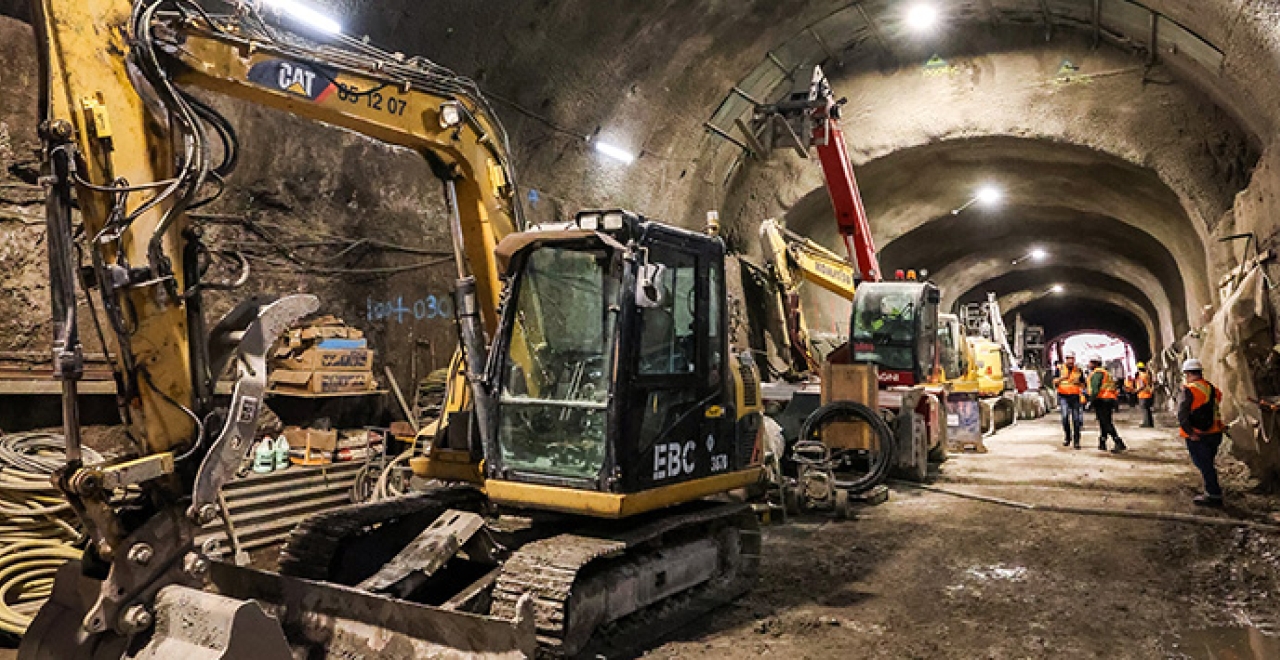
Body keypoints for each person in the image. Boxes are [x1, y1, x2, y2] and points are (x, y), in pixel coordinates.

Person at [1178, 358, 1226, 507]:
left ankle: (1213, 494)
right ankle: (1211, 490)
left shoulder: (1189, 389)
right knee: (1208, 463)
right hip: (1215, 432)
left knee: (1204, 465)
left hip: (1199, 434)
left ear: (1187, 373)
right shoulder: (1211, 388)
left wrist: (1190, 432)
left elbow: (1182, 414)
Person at [1087, 355, 1126, 452]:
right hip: (1109, 399)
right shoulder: (1106, 373)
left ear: (1095, 363)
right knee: (1103, 421)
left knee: (1106, 422)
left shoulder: (1097, 374)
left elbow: (1095, 389)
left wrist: (1090, 401)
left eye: (1090, 362)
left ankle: (1118, 442)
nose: (1089, 364)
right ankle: (1102, 441)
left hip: (1102, 399)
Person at [1053, 352, 1087, 449]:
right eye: (1068, 358)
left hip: (1075, 397)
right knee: (1065, 417)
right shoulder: (1060, 369)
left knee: (1076, 419)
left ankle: (1076, 441)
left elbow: (1084, 384)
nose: (1070, 361)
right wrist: (1062, 378)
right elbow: (1054, 381)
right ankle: (1067, 437)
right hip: (1063, 396)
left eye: (1072, 359)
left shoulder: (1078, 370)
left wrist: (1079, 383)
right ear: (1066, 359)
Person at [1135, 362, 1155, 427]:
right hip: (1148, 394)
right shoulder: (1147, 375)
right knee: (1148, 409)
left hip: (1143, 394)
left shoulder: (1140, 376)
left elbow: (1141, 386)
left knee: (1144, 410)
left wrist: (1136, 391)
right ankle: (1150, 423)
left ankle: (1146, 423)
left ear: (1138, 368)